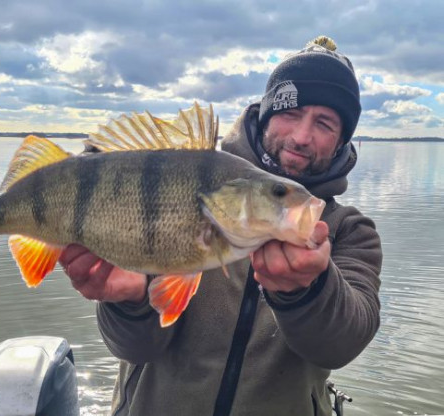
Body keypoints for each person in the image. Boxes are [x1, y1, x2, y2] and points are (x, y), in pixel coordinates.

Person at [58, 36, 382, 416]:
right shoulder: (187, 182)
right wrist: (128, 304)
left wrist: (308, 290)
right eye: (290, 113)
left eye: (324, 123)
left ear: (341, 140)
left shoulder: (349, 231)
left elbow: (341, 345)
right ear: (266, 114)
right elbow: (135, 349)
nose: (301, 137)